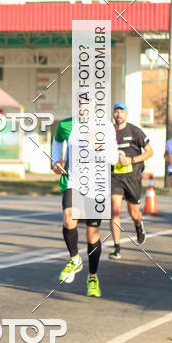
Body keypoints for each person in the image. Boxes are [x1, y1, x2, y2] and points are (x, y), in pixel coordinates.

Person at [52, 117, 118, 297]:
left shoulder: (105, 126)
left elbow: (113, 158)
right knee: (69, 219)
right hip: (73, 182)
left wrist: (96, 144)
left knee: (92, 234)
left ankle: (93, 277)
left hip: (97, 187)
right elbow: (57, 140)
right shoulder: (66, 125)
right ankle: (75, 259)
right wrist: (55, 161)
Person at [109, 103, 153, 259]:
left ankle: (138, 225)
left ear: (126, 114)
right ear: (113, 114)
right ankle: (116, 248)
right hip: (114, 177)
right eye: (116, 112)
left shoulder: (135, 131)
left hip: (132, 177)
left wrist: (131, 160)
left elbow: (149, 152)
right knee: (114, 210)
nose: (118, 114)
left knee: (134, 212)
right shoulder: (108, 132)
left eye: (121, 112)